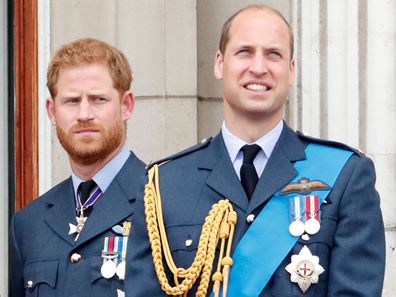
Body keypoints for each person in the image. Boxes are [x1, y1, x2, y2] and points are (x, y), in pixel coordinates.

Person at [125, 4, 385, 297]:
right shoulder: (165, 185)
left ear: (291, 69)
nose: (259, 67)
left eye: (273, 54)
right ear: (220, 64)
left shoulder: (345, 177)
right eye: (245, 52)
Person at [10, 38, 145, 297]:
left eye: (98, 99)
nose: (84, 114)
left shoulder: (162, 203)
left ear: (126, 105)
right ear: (52, 111)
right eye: (72, 101)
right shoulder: (28, 224)